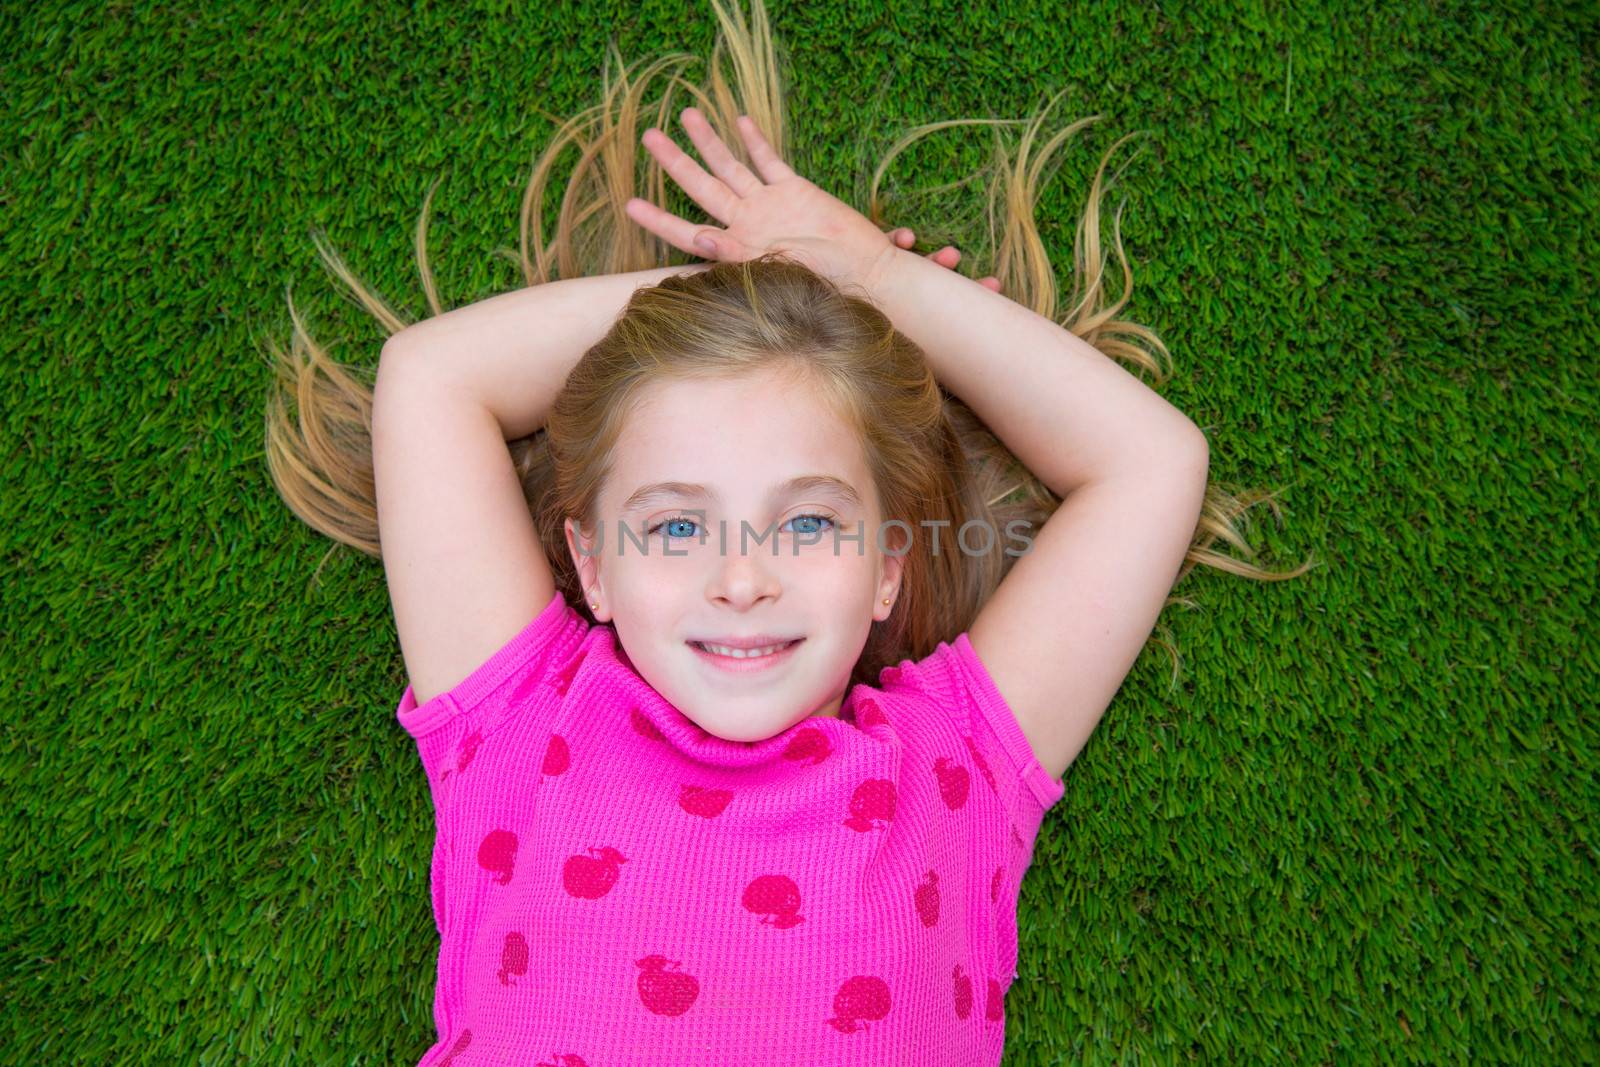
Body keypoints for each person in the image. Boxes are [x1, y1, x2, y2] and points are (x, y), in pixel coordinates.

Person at [263, 2, 1310, 1062]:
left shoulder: (954, 768)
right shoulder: (523, 721)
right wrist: (773, 292)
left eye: (807, 519)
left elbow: (1151, 464)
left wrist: (869, 283)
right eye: (674, 526)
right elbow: (431, 380)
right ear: (594, 563)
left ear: (887, 564)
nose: (742, 577)